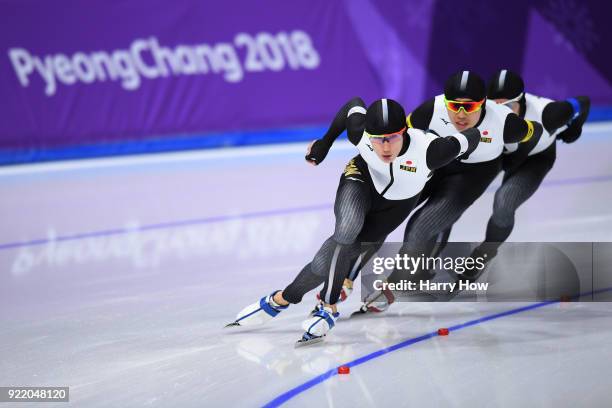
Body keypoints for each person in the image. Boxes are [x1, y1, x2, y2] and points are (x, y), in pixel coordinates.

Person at [226, 97, 481, 345]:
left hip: (398, 204)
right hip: (360, 180)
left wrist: (478, 132)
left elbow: (472, 137)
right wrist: (324, 144)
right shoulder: (359, 132)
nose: (385, 147)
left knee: (323, 264)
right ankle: (328, 306)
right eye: (377, 140)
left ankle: (280, 299)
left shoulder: (431, 150)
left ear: (405, 131)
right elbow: (352, 104)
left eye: (392, 138)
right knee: (345, 232)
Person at [356, 70, 545, 313]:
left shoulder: (504, 121)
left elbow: (535, 132)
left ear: (483, 104)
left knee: (420, 227)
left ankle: (393, 286)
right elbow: (400, 136)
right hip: (437, 162)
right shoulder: (431, 110)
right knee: (386, 212)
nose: (461, 115)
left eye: (470, 107)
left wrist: (513, 161)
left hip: (473, 175)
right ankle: (350, 270)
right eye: (454, 106)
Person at [459, 69, 591, 282]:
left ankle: (485, 252)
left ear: (522, 102)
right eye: (496, 107)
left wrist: (574, 128)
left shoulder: (549, 114)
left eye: (509, 107)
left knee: (504, 203)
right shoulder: (480, 113)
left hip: (534, 159)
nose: (503, 114)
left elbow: (583, 101)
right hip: (498, 153)